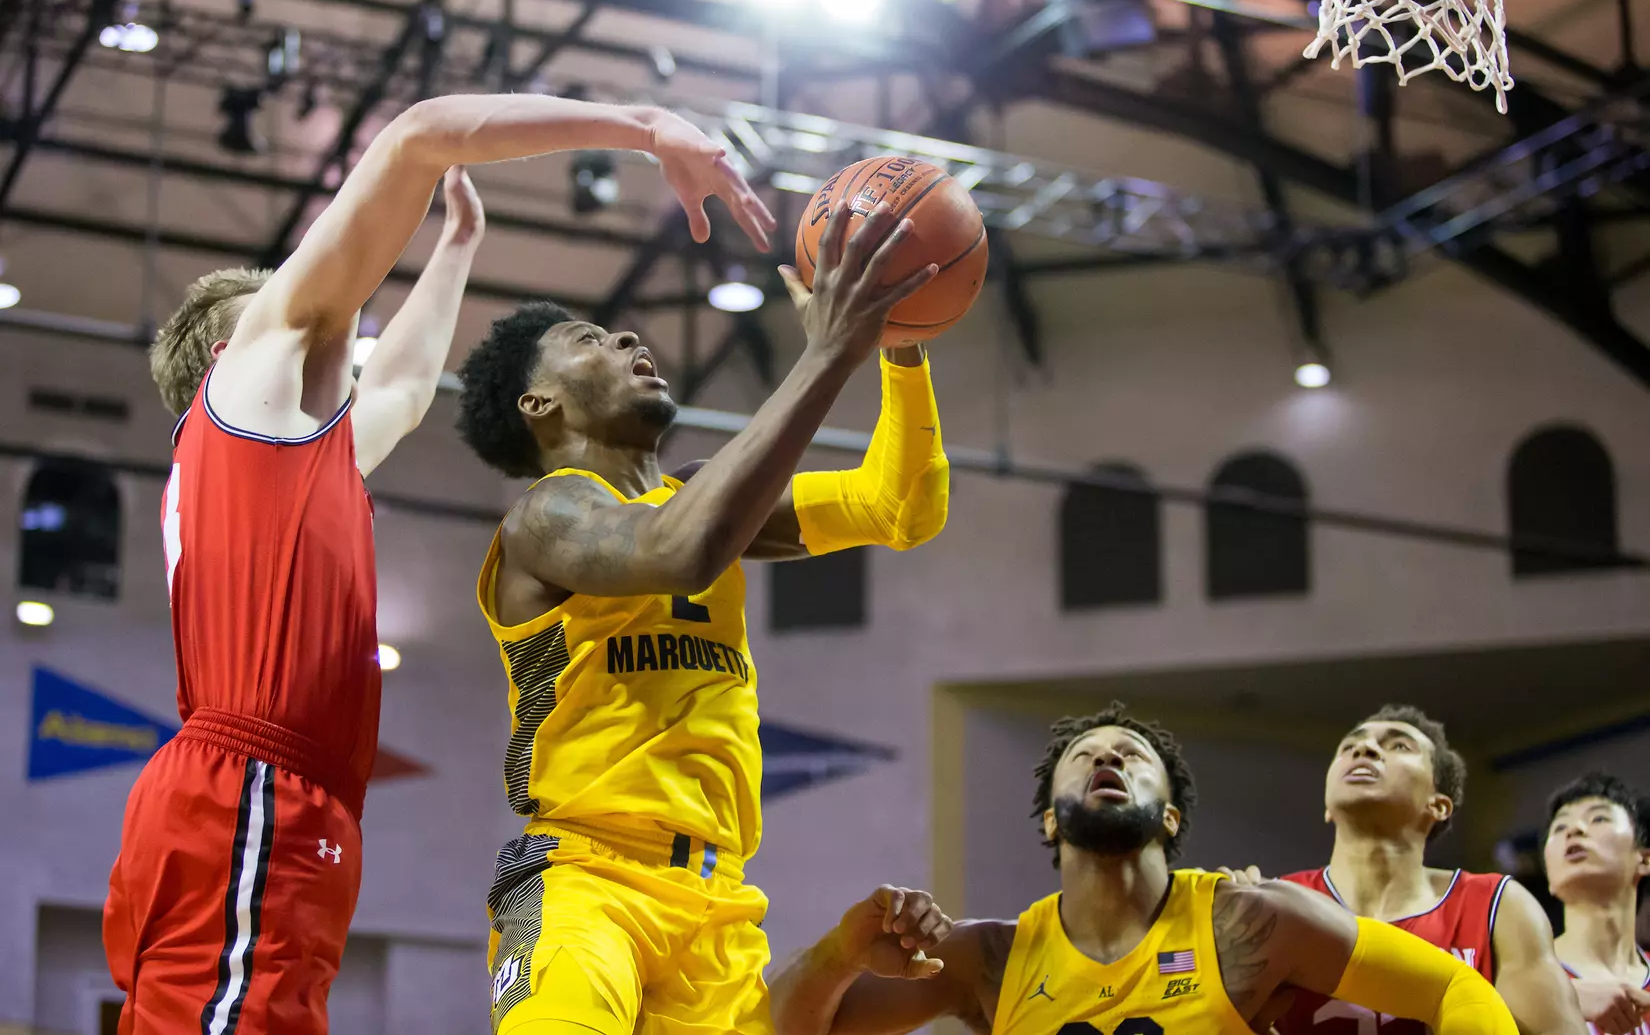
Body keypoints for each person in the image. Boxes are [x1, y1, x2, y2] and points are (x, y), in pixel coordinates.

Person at [106, 93, 773, 1035]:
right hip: (245, 777)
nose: (338, 312)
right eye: (301, 298)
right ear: (231, 349)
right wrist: (643, 126)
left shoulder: (279, 455)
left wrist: (458, 241)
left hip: (291, 792)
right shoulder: (248, 383)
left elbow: (409, 389)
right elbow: (421, 131)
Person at [454, 197, 949, 1035]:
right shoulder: (547, 516)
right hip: (586, 881)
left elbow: (901, 505)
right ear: (540, 406)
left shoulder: (701, 500)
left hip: (717, 902)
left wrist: (898, 353)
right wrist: (828, 353)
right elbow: (676, 548)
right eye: (591, 340)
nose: (628, 341)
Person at [770, 702, 1520, 1035]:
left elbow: (1454, 988)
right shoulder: (987, 957)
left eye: (1132, 756)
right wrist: (840, 951)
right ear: (1050, 820)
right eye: (1084, 755)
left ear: (1170, 816)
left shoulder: (1252, 921)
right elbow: (785, 1028)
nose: (1106, 759)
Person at [1272, 704, 1585, 1035]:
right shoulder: (1275, 903)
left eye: (1399, 746)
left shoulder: (1499, 906)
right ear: (1327, 806)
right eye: (1349, 747)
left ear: (1438, 804)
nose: (1364, 750)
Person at [1544, 771, 1650, 1035]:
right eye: (1559, 827)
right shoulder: (1512, 980)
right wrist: (1559, 998)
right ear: (1549, 876)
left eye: (1598, 818)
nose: (1574, 830)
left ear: (1644, 860)